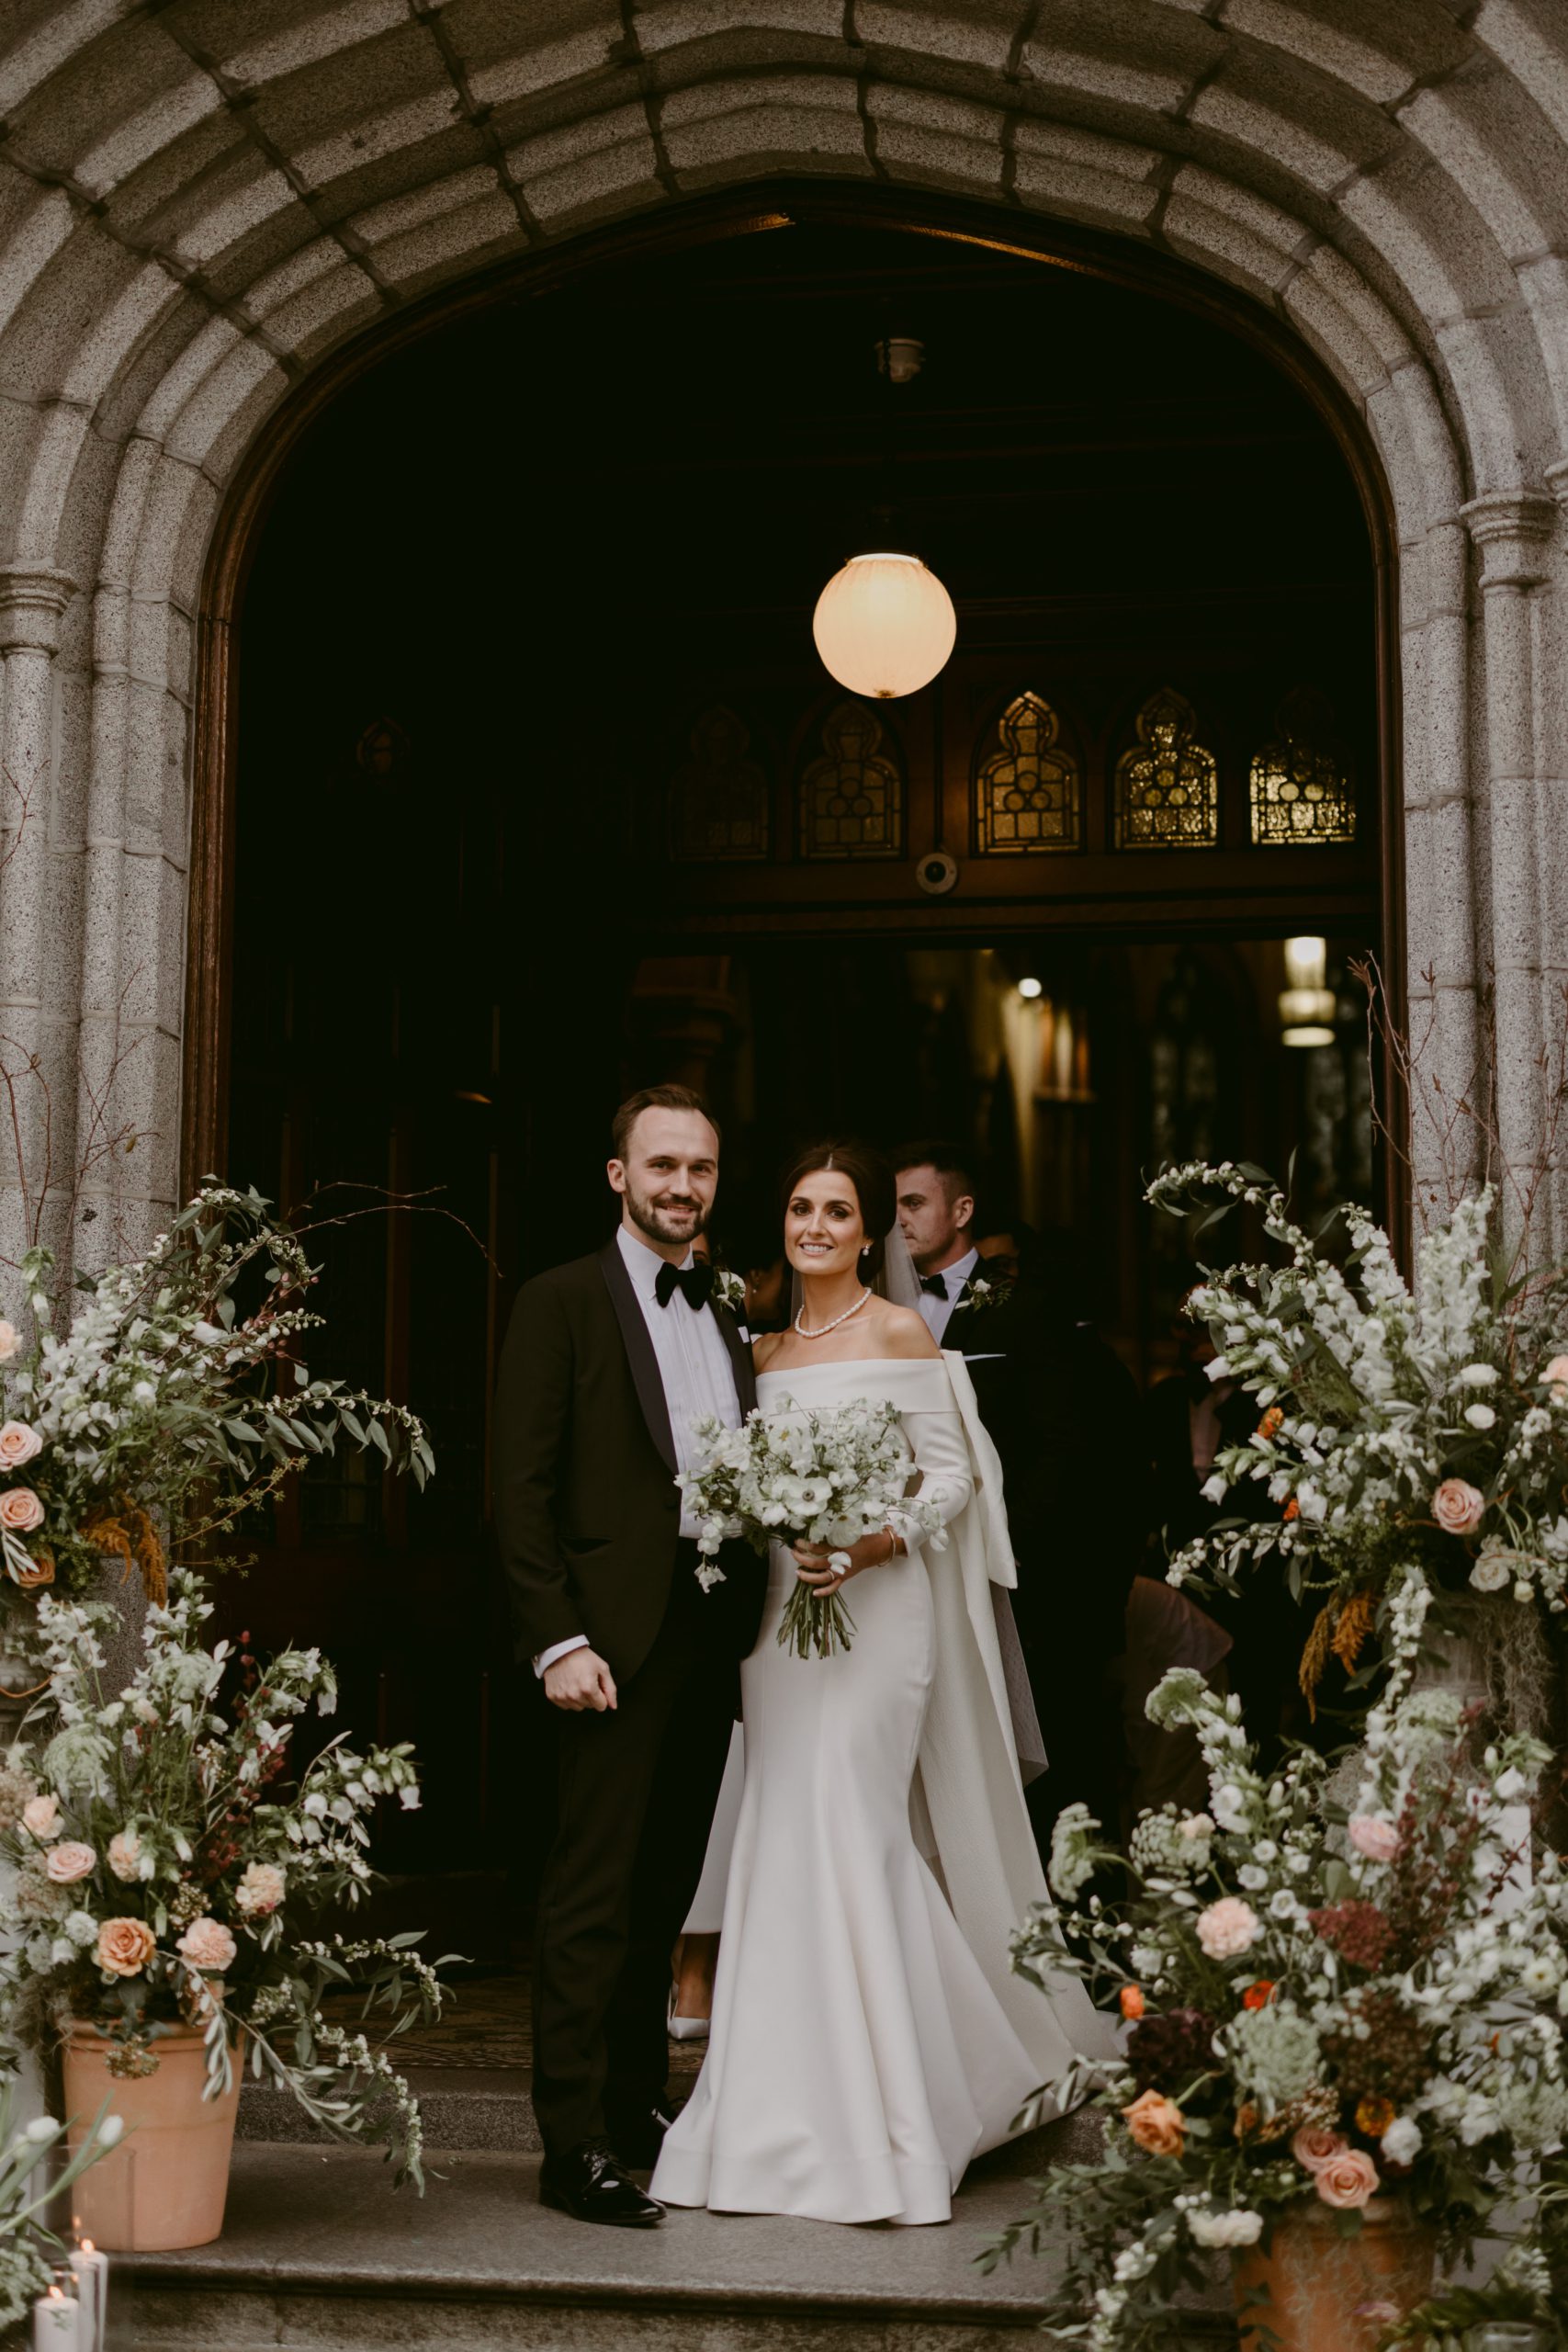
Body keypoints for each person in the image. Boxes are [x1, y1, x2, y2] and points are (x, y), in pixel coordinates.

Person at [651, 1142, 1116, 2227]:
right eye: (802, 1207)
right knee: (778, 1828)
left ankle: (896, 2109)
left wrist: (869, 1542)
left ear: (871, 1233)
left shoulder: (902, 1331)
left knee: (857, 1830)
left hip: (881, 1615)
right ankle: (770, 2104)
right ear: (786, 1223)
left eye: (840, 1210)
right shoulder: (753, 1352)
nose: (816, 1225)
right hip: (780, 1623)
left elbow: (954, 1474)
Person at [492, 1085, 765, 2228]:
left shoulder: (731, 1305)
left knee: (664, 1893)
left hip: (711, 1632)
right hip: (605, 1643)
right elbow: (518, 1488)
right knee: (591, 1895)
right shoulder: (559, 1301)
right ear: (619, 1176)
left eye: (698, 1169)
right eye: (661, 1166)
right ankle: (572, 2147)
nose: (681, 1187)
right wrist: (556, 1636)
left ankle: (638, 2105)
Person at [895, 1144, 1148, 1854]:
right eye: (889, 1209)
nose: (898, 1221)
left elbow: (1061, 1450)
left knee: (1045, 1767)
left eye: (912, 1204)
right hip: (901, 1567)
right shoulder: (873, 1307)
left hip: (1012, 1577)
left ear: (961, 1210)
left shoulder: (1027, 1309)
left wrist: (1003, 1550)